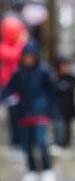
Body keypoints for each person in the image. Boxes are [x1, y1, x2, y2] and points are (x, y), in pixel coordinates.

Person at [1, 40, 57, 181]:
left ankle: (46, 168)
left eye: (31, 56)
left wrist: (51, 111)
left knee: (41, 141)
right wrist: (7, 99)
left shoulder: (44, 71)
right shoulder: (18, 73)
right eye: (26, 56)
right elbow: (8, 90)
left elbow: (51, 92)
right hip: (23, 113)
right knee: (27, 144)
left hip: (40, 112)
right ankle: (31, 168)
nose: (29, 59)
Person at [0, 16, 28, 159]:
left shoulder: (23, 44)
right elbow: (13, 56)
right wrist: (21, 42)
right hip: (9, 87)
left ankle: (24, 144)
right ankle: (16, 144)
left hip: (23, 86)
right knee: (13, 117)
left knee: (23, 116)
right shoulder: (4, 47)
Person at [52, 56, 75, 156]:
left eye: (67, 66)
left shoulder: (72, 78)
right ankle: (58, 144)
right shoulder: (54, 79)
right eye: (63, 66)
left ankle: (67, 145)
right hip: (58, 108)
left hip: (69, 108)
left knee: (68, 128)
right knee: (59, 127)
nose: (65, 68)